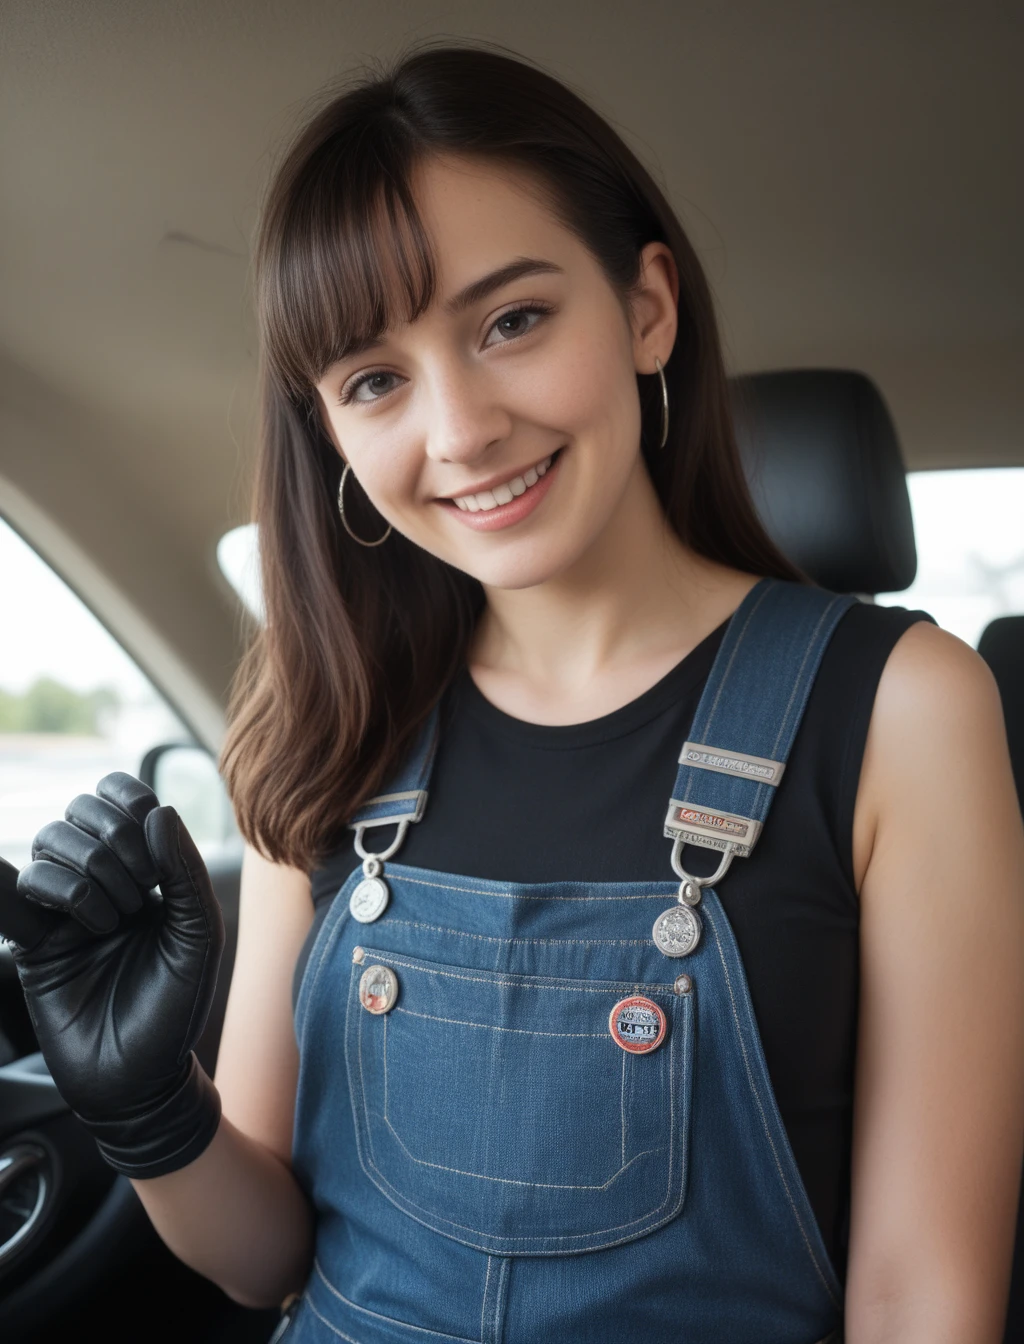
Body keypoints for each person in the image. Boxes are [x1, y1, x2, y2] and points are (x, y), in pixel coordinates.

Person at [2, 42, 1023, 1344]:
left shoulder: (901, 711)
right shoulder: (327, 728)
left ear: (647, 307)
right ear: (333, 434)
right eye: (377, 380)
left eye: (512, 321)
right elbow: (262, 1265)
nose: (461, 429)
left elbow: (921, 1301)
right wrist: (148, 1111)